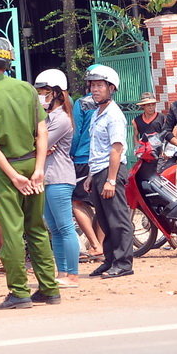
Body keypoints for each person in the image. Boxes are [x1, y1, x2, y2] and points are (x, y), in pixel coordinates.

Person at [0, 36, 58, 309]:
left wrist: (13, 176)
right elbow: (41, 131)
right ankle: (49, 288)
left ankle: (19, 291)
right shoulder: (28, 90)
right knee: (37, 229)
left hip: (7, 170)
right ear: (7, 60)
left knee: (11, 232)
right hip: (33, 164)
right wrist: (39, 169)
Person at [83, 64, 134, 279]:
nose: (95, 89)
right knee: (104, 219)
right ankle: (111, 259)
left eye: (99, 86)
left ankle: (124, 263)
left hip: (111, 172)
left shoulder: (114, 115)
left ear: (111, 88)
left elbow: (116, 148)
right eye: (92, 85)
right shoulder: (97, 114)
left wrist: (111, 180)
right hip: (98, 171)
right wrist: (91, 176)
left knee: (118, 219)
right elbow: (97, 148)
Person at [34, 69, 79, 288]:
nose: (40, 96)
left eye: (44, 92)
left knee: (65, 226)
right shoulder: (48, 118)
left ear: (56, 93)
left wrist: (41, 144)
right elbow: (42, 146)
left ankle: (72, 274)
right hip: (48, 178)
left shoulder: (61, 119)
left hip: (60, 177)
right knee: (54, 228)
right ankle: (61, 272)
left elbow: (39, 144)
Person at [70, 72, 104, 259]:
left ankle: (94, 244)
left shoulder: (82, 103)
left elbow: (76, 133)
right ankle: (100, 247)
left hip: (83, 159)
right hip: (102, 161)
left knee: (77, 202)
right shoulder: (110, 105)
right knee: (100, 205)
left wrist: (71, 153)